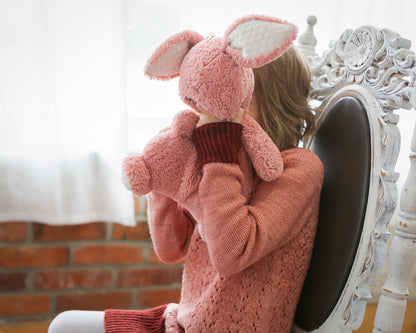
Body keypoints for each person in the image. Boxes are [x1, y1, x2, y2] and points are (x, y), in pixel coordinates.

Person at [48, 46, 323, 333]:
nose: (214, 110)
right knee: (63, 325)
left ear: (274, 100)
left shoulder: (298, 169)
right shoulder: (229, 162)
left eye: (235, 96)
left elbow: (232, 254)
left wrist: (219, 157)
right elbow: (170, 249)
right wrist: (165, 177)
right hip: (183, 321)